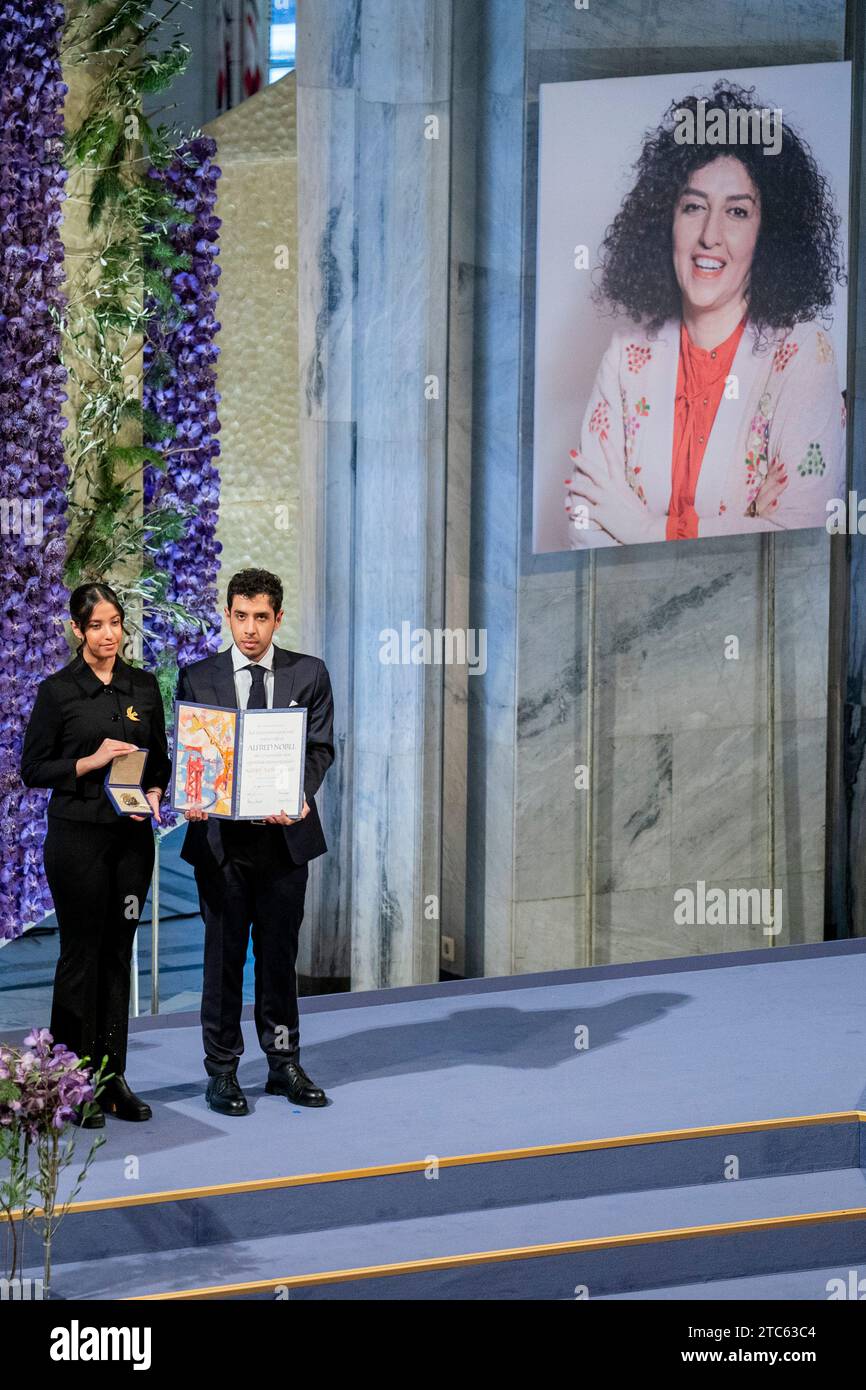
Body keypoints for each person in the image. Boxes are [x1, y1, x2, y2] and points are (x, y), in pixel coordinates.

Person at [565, 81, 846, 547]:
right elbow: (583, 529)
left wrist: (643, 528)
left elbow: (804, 532)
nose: (710, 236)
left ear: (768, 234)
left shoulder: (802, 354)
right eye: (694, 207)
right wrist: (749, 518)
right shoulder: (625, 356)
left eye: (737, 212)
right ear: (665, 219)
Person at [176, 568, 335, 1116]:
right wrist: (190, 793)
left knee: (278, 957)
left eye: (261, 618)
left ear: (278, 618)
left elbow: (319, 749)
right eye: (240, 616)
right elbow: (190, 755)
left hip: (285, 842)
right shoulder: (198, 676)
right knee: (222, 960)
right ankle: (222, 1071)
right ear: (227, 615)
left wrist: (298, 792)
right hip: (221, 844)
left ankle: (282, 1063)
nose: (250, 629)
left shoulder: (308, 674)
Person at [20, 583, 170, 1127]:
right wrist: (90, 760)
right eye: (98, 626)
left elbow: (161, 762)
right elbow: (33, 768)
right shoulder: (58, 691)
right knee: (81, 955)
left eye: (116, 623)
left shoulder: (144, 685)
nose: (109, 635)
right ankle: (69, 1081)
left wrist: (155, 791)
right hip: (78, 838)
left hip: (131, 840)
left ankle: (111, 1080)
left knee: (116, 956)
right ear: (78, 631)